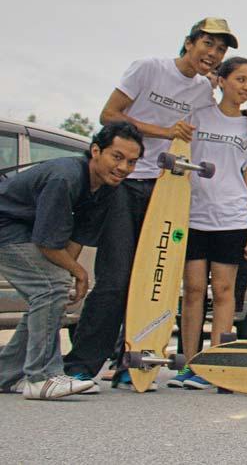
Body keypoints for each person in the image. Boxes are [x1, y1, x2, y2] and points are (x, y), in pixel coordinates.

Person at [65, 18, 247, 390]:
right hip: (126, 183)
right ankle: (80, 366)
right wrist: (163, 132)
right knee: (116, 277)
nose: (213, 54)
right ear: (189, 42)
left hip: (168, 189)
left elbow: (224, 116)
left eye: (220, 49)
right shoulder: (149, 68)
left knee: (155, 277)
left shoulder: (203, 91)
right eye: (208, 44)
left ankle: (132, 362)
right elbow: (108, 115)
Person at [0, 123, 142, 399]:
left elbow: (76, 238)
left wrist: (68, 277)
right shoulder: (65, 178)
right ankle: (42, 377)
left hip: (21, 230)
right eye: (117, 157)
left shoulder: (105, 187)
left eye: (132, 162)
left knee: (51, 292)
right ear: (96, 151)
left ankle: (6, 374)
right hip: (6, 227)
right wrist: (78, 274)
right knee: (49, 288)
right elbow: (47, 243)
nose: (123, 167)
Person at [171, 57, 247, 389]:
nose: (246, 87)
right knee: (194, 290)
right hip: (194, 215)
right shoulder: (197, 116)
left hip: (232, 218)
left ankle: (214, 364)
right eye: (240, 79)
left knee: (224, 291)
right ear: (222, 80)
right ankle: (190, 363)